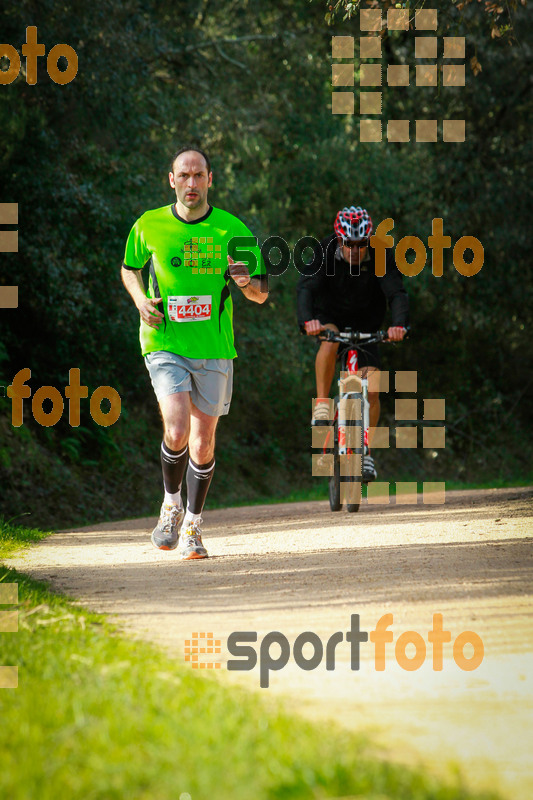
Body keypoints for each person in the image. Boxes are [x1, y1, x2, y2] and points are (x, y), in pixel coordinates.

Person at [121, 147, 268, 559]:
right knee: (177, 427)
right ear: (172, 180)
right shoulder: (149, 225)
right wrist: (138, 299)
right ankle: (170, 504)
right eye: (183, 176)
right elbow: (129, 267)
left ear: (209, 179)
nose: (190, 183)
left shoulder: (232, 231)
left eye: (198, 175)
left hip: (215, 349)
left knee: (203, 445)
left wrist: (244, 283)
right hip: (165, 344)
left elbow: (261, 293)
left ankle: (193, 526)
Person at [296, 206, 409, 481]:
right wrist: (307, 321)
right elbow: (306, 288)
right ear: (339, 239)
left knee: (373, 389)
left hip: (367, 323)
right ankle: (323, 405)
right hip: (330, 317)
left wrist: (399, 325)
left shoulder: (381, 253)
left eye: (361, 245)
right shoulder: (324, 251)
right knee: (329, 344)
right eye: (349, 244)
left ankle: (366, 453)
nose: (355, 250)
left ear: (368, 240)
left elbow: (396, 292)